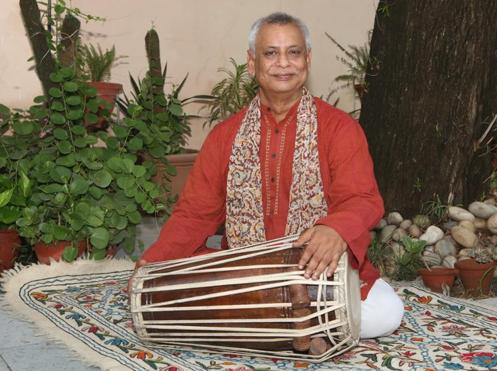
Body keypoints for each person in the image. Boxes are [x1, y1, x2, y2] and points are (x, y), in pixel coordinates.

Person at [133, 12, 403, 338]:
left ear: (307, 60)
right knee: (169, 289)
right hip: (246, 273)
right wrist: (153, 263)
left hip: (318, 273)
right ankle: (296, 327)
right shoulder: (225, 136)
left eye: (294, 52)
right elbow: (194, 213)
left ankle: (264, 325)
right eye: (271, 53)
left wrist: (336, 230)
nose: (283, 63)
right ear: (252, 64)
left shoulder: (339, 129)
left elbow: (362, 199)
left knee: (387, 312)